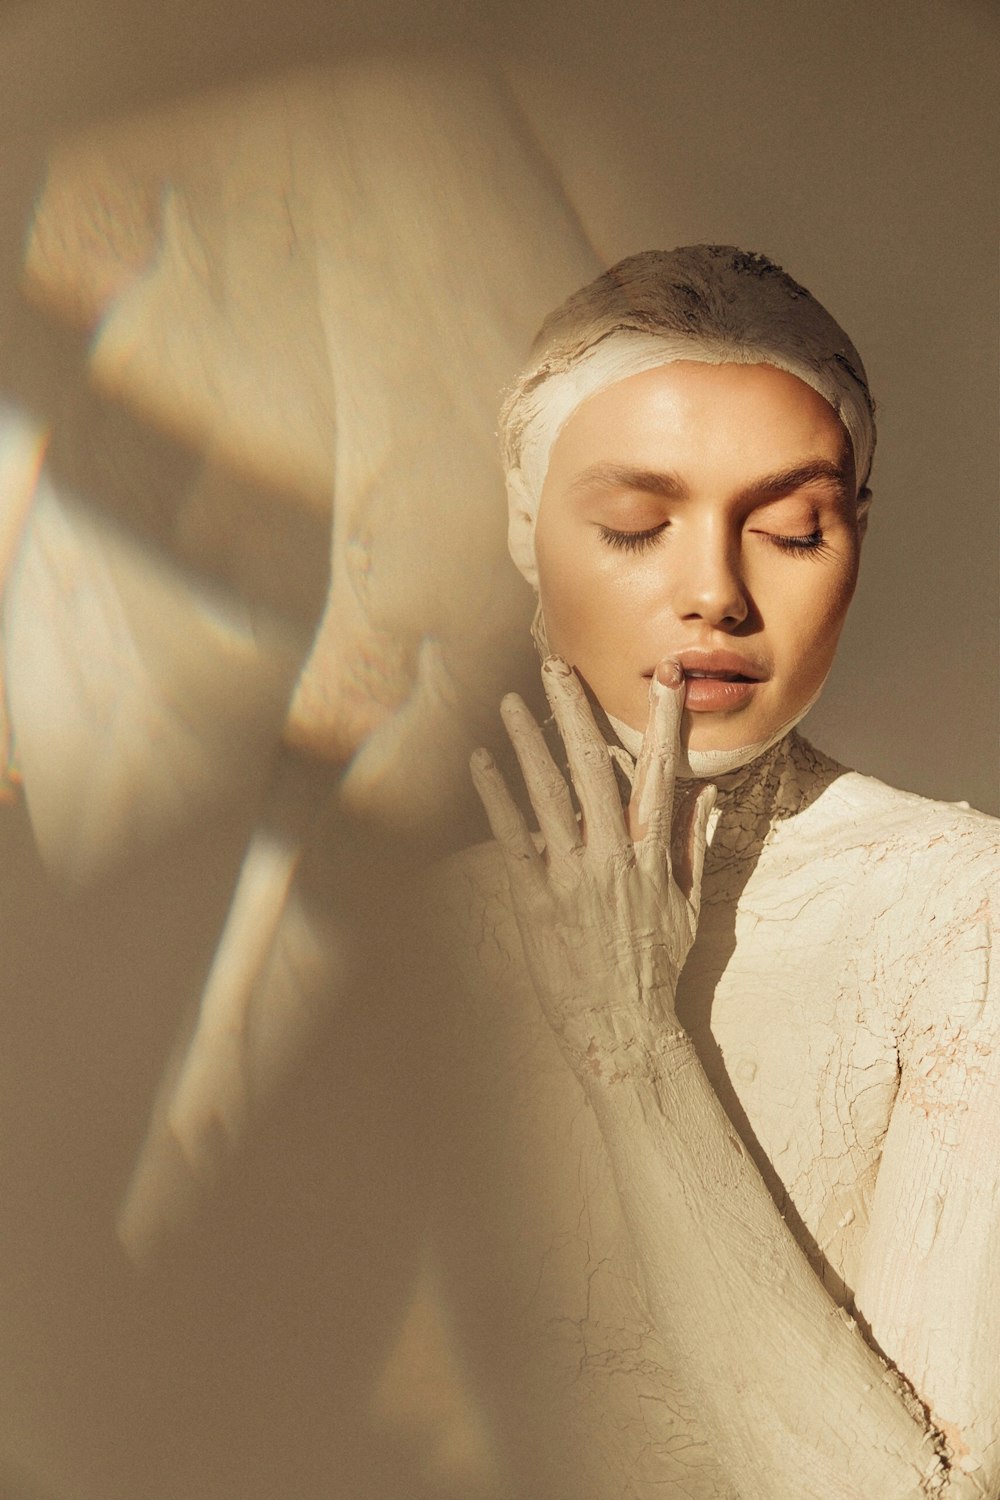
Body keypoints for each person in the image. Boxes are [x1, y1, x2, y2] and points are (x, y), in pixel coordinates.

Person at [425, 246, 1000, 1499]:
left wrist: (630, 1043)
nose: (714, 595)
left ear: (857, 534)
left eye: (793, 530)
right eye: (635, 526)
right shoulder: (426, 935)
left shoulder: (959, 911)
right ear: (524, 533)